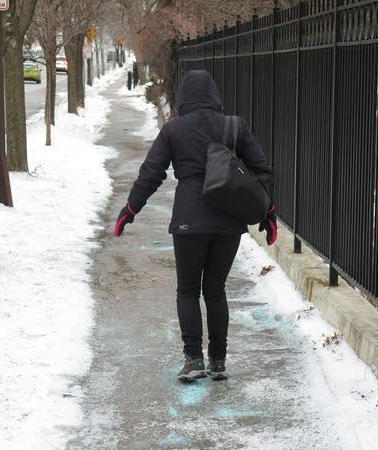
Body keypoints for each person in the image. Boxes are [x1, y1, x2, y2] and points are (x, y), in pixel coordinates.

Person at [114, 69, 277, 382]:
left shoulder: (174, 130)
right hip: (229, 221)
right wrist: (267, 212)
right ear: (215, 95)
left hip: (189, 220)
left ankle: (193, 360)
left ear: (183, 98)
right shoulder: (234, 126)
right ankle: (218, 361)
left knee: (188, 291)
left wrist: (130, 209)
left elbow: (151, 173)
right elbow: (262, 171)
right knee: (215, 290)